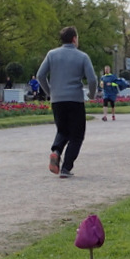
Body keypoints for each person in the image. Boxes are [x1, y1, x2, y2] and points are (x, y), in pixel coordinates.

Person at [36, 26, 97, 178]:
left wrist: (50, 92)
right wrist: (91, 94)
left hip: (57, 100)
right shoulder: (82, 56)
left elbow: (40, 75)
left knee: (62, 130)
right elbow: (92, 79)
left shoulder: (52, 54)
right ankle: (66, 168)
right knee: (77, 135)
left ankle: (56, 151)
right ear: (74, 39)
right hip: (75, 99)